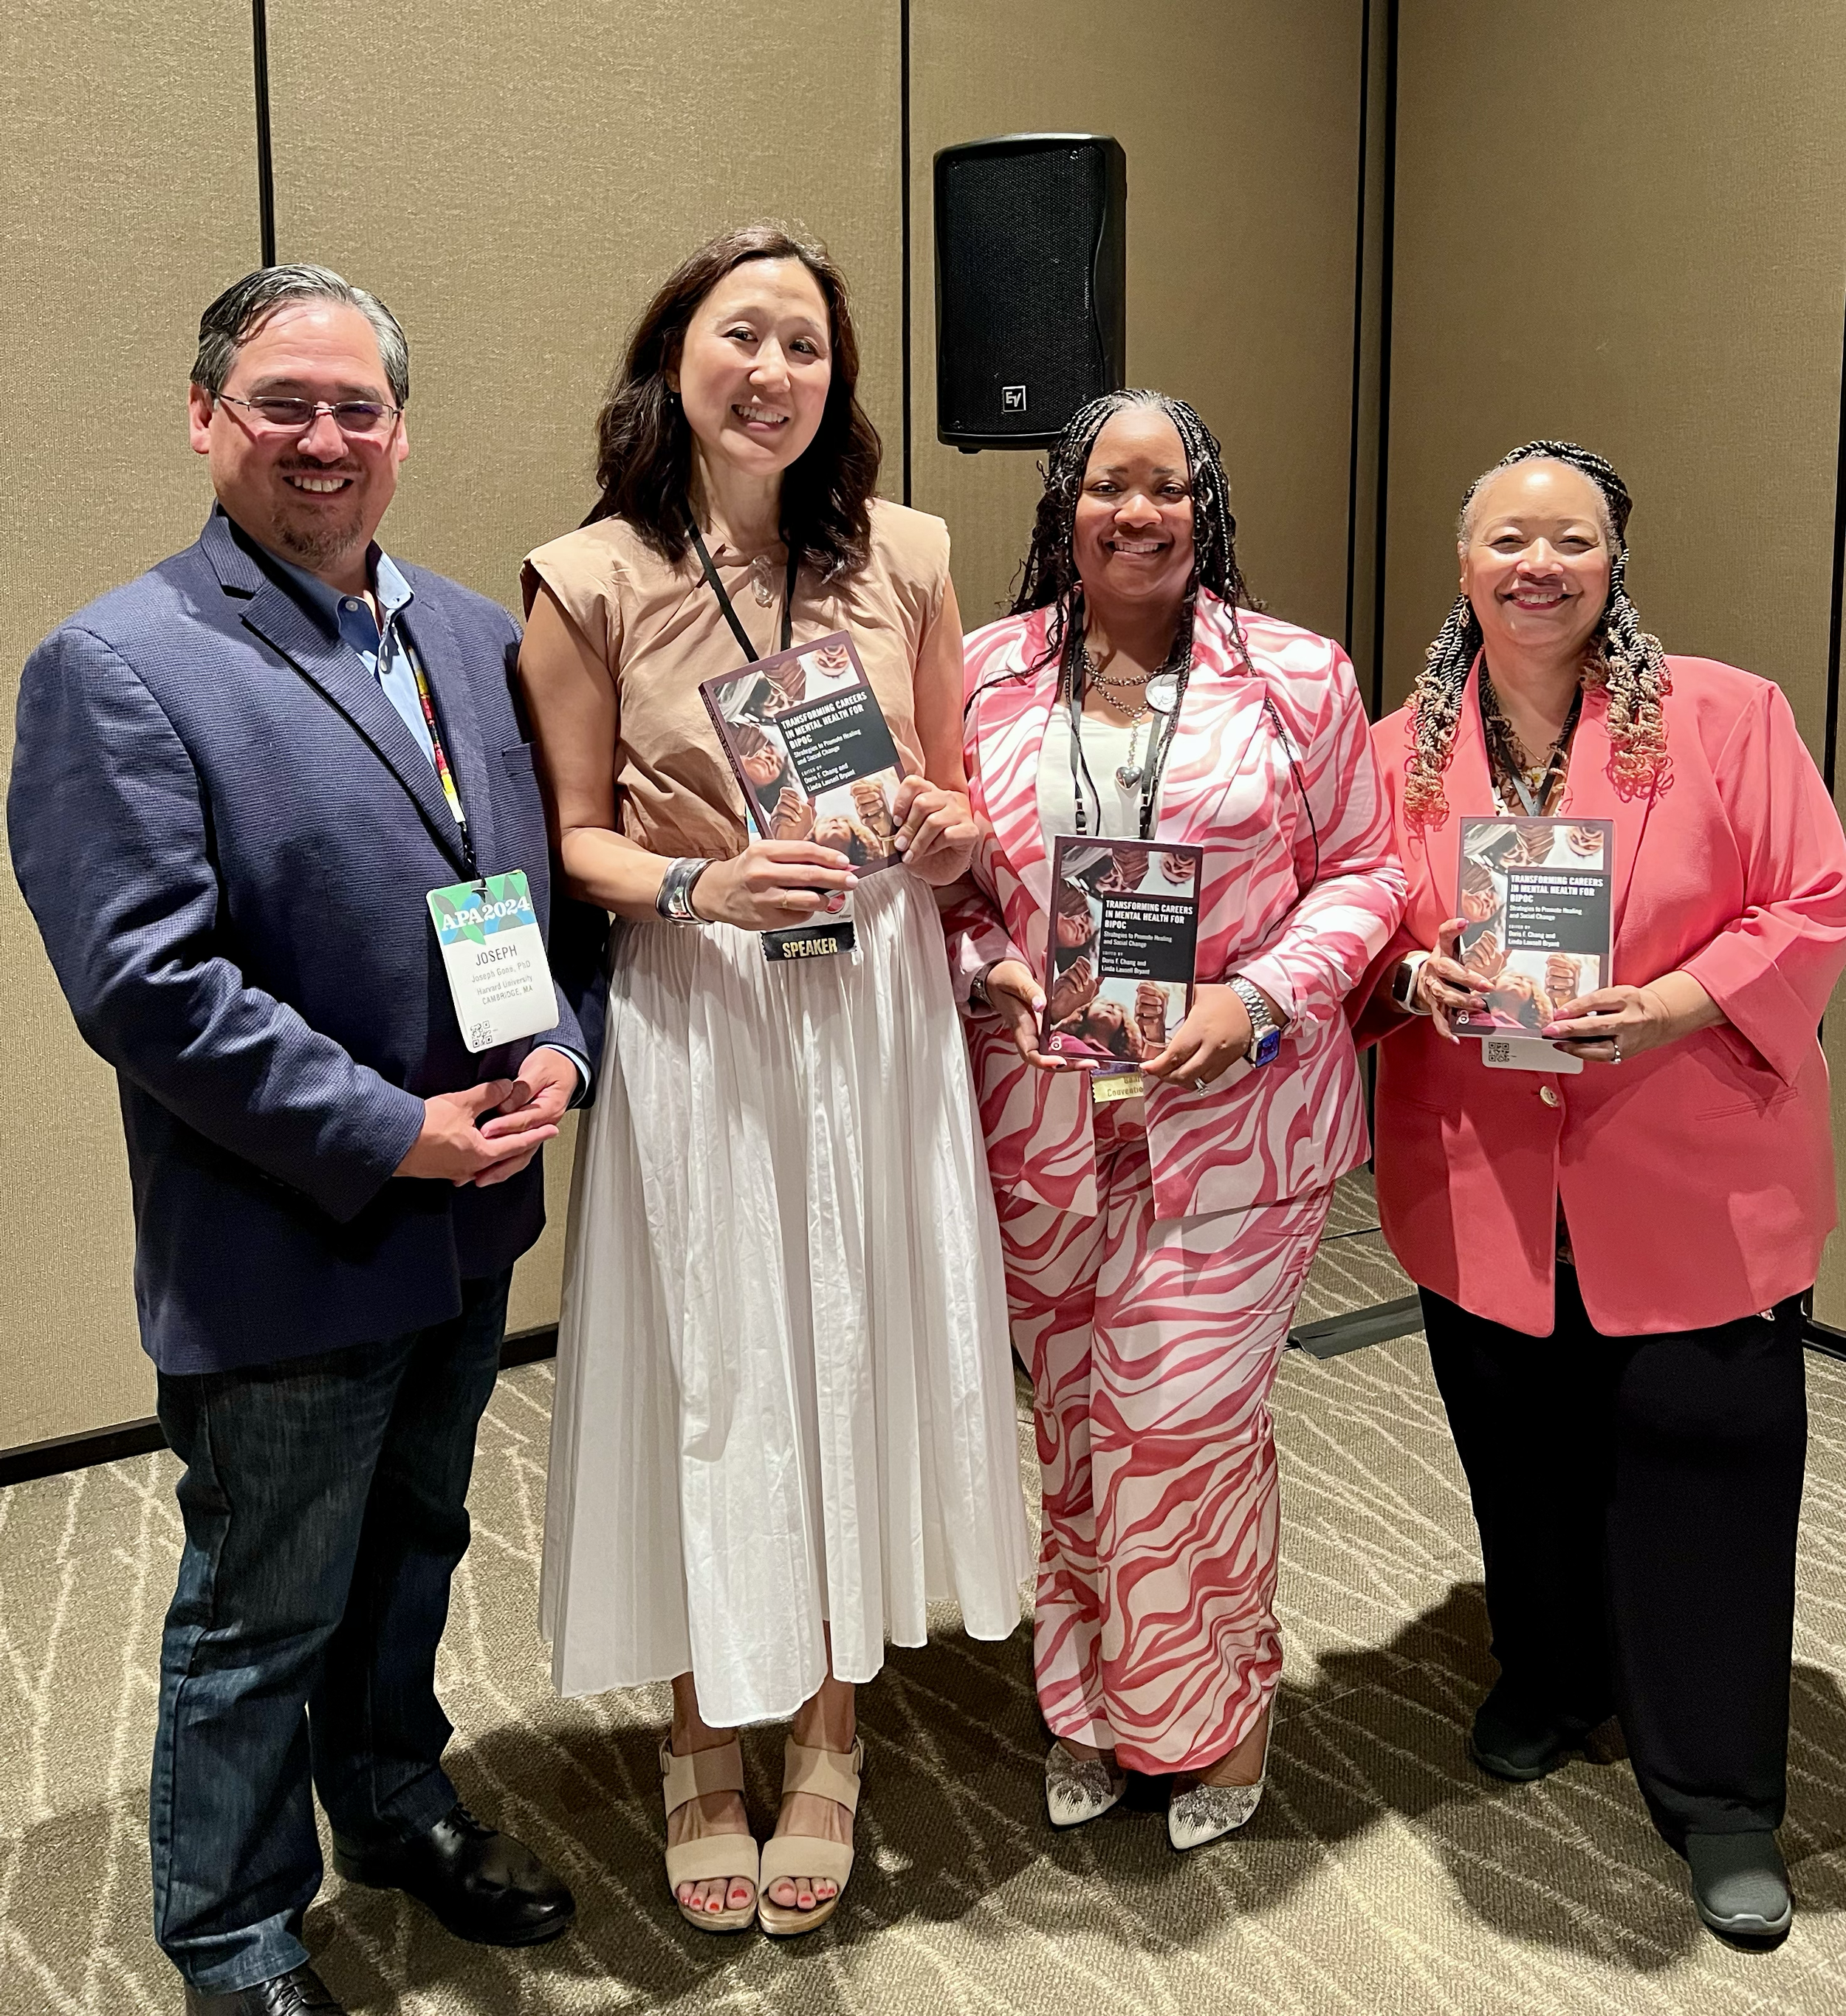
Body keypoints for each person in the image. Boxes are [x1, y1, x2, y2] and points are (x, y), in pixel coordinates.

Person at [7, 266, 598, 2015]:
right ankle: (235, 1933)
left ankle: (395, 1807)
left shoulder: (481, 640)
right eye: (282, 402)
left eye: (357, 408)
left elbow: (529, 893)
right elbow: (147, 986)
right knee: (260, 1606)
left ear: (400, 437)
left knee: (416, 1550)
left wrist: (555, 1049)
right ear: (206, 419)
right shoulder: (117, 666)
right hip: (288, 1231)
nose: (321, 439)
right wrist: (388, 1131)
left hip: (468, 1218)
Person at [518, 224, 1029, 1937]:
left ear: (839, 381)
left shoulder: (907, 550)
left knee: (858, 1338)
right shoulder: (587, 575)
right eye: (742, 337)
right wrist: (695, 885)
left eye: (806, 346)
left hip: (870, 999)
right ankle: (696, 1741)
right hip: (705, 1000)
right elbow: (571, 840)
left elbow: (950, 805)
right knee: (715, 1357)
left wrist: (949, 831)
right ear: (675, 359)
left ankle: (829, 1723)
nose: (774, 374)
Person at [1353, 439, 1846, 1948]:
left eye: (1567, 540)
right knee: (1522, 1453)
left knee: (1702, 1461)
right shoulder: (1392, 750)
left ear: (1611, 560)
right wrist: (1406, 973)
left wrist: (1685, 999)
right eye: (1506, 539)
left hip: (1683, 1167)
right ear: (1462, 565)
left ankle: (1717, 1795)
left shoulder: (1726, 715)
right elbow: (1346, 929)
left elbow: (1814, 899)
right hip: (1483, 1178)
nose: (1536, 567)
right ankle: (1551, 1675)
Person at [946, 390, 1406, 1850]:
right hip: (1046, 1117)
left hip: (1238, 1118)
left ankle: (1213, 1720)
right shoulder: (982, 675)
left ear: (1203, 509)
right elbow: (945, 888)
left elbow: (1368, 875)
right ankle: (1086, 1705)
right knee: (1075, 1423)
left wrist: (1261, 996)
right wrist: (991, 967)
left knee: (1177, 1418)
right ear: (1062, 509)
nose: (1134, 513)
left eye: (1165, 489)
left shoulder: (1295, 678)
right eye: (1106, 487)